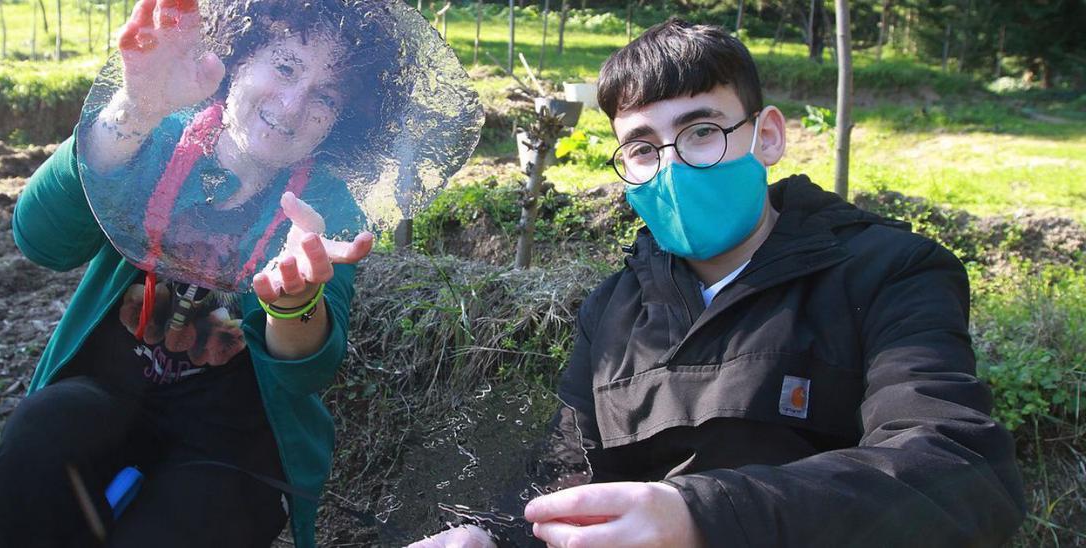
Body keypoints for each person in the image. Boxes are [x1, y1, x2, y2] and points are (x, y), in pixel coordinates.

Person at [414, 18, 1025, 548]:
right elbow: (568, 476)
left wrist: (703, 518)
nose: (673, 166)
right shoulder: (613, 311)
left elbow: (958, 471)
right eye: (643, 147)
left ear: (767, 137)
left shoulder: (888, 271)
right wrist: (492, 534)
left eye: (701, 131)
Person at [0, 1, 399, 546]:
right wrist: (135, 109)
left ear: (345, 118)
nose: (293, 108)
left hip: (230, 437)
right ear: (240, 57)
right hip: (106, 388)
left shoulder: (325, 205)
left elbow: (305, 373)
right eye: (286, 67)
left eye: (326, 96)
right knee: (37, 442)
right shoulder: (154, 137)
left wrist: (294, 301)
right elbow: (40, 240)